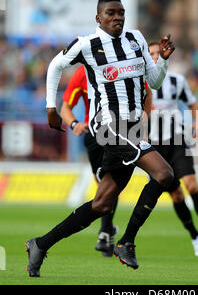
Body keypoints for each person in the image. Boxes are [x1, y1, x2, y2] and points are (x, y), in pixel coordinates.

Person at [25, 0, 175, 276]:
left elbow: (153, 82)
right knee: (164, 174)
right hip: (107, 126)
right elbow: (55, 66)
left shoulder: (137, 39)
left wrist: (163, 60)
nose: (117, 17)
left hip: (131, 129)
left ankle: (40, 244)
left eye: (121, 13)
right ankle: (127, 242)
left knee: (102, 203)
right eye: (111, 13)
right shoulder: (87, 45)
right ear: (98, 17)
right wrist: (50, 107)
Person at [147, 42, 198, 256]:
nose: (156, 57)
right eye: (152, 54)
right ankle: (195, 236)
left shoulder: (177, 80)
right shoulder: (141, 82)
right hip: (155, 147)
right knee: (176, 195)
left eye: (158, 53)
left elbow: (192, 103)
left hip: (176, 140)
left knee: (192, 185)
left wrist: (197, 122)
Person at [60, 64, 152, 256]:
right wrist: (74, 123)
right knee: (104, 185)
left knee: (110, 182)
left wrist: (142, 125)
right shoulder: (81, 73)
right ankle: (107, 229)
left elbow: (146, 91)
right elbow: (65, 108)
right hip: (94, 133)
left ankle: (105, 231)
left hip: (120, 131)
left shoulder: (121, 66)